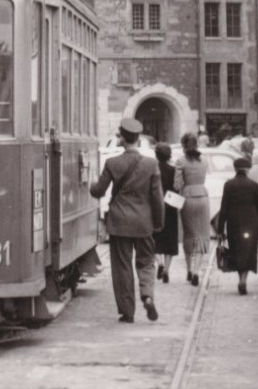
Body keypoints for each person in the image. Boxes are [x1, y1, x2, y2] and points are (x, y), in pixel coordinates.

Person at [89, 117, 165, 323]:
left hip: (120, 222)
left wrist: (90, 182)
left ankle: (127, 311)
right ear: (138, 139)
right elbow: (157, 198)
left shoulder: (112, 163)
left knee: (122, 267)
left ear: (122, 138)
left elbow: (98, 191)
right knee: (146, 262)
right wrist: (158, 223)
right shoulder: (151, 164)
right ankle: (147, 295)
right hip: (144, 222)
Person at [213, 156, 258, 296]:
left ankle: (240, 278)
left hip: (233, 222)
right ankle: (244, 279)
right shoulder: (254, 185)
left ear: (235, 169)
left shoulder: (229, 185)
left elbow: (224, 207)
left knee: (237, 249)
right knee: (248, 250)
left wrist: (220, 228)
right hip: (251, 222)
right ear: (248, 170)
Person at [174, 133, 212, 287]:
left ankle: (189, 270)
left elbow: (177, 185)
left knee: (189, 234)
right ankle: (197, 271)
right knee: (202, 235)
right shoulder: (204, 161)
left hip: (187, 198)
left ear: (183, 145)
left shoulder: (180, 161)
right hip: (202, 197)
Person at [152, 143, 179, 284]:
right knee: (170, 239)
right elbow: (177, 188)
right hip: (170, 206)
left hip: (156, 207)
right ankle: (167, 270)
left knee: (155, 238)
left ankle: (159, 263)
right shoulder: (173, 170)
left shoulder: (153, 169)